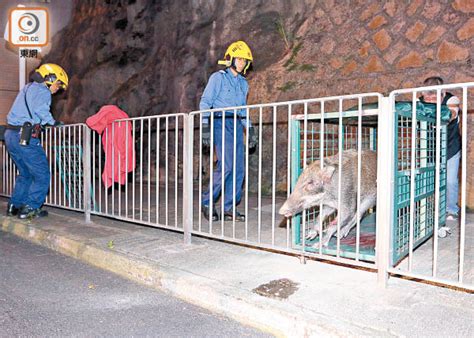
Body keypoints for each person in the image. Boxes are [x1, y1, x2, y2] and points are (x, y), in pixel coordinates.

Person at [200, 40, 257, 222]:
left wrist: (251, 130)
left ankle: (229, 207)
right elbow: (205, 102)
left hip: (237, 125)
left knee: (239, 169)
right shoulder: (218, 78)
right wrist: (206, 127)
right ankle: (208, 202)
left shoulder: (243, 84)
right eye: (238, 59)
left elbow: (243, 109)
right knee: (226, 166)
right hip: (220, 122)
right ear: (230, 59)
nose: (241, 63)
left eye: (244, 61)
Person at [4, 63, 68, 219]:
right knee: (42, 174)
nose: (57, 89)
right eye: (58, 84)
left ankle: (15, 206)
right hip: (25, 136)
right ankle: (31, 207)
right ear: (50, 78)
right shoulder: (42, 91)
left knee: (25, 174)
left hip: (10, 134)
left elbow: (28, 111)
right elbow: (40, 109)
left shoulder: (27, 88)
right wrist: (52, 122)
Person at [419, 76, 461, 221]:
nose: (429, 101)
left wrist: (445, 116)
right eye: (427, 98)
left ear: (442, 93)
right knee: (427, 181)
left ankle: (451, 209)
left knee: (450, 180)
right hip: (429, 148)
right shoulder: (419, 101)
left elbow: (453, 112)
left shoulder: (451, 99)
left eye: (433, 97)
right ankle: (429, 209)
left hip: (451, 146)